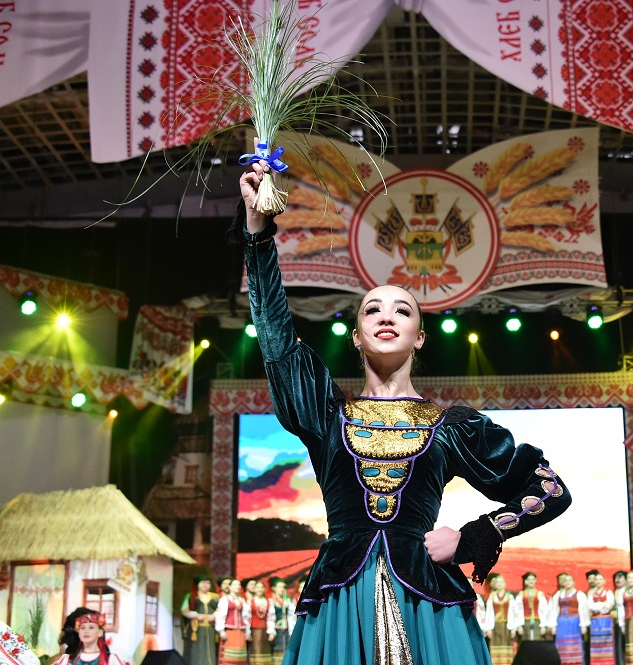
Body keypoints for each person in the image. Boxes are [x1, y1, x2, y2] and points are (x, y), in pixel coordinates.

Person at [236, 161, 572, 665]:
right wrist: (258, 232)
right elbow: (277, 342)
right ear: (356, 337)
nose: (386, 315)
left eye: (402, 309)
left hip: (427, 608)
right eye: (372, 309)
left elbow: (551, 490)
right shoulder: (326, 416)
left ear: (419, 337)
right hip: (341, 604)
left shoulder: (453, 427)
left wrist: (474, 536)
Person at [52, 612, 126, 665]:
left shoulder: (111, 660)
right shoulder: (67, 660)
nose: (86, 631)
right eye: (83, 628)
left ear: (100, 632)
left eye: (91, 627)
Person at [548, 573, 590, 665]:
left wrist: (583, 625)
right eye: (565, 580)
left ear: (574, 582)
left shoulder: (579, 594)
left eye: (569, 580)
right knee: (562, 645)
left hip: (574, 622)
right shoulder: (558, 594)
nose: (567, 582)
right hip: (561, 623)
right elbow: (554, 610)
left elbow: (583, 610)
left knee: (573, 645)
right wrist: (553, 625)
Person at [182, 576, 219, 665]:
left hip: (211, 628)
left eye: (208, 583)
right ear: (198, 584)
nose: (205, 585)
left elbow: (221, 610)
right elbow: (184, 611)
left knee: (211, 650)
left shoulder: (215, 597)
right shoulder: (191, 596)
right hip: (196, 629)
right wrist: (196, 615)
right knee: (197, 650)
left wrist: (214, 616)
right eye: (203, 583)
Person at [216, 579, 250, 665]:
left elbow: (245, 617)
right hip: (229, 631)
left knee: (239, 656)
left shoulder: (242, 600)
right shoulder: (225, 599)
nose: (238, 587)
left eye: (239, 585)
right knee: (229, 655)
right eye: (235, 585)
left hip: (240, 632)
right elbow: (221, 615)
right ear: (230, 587)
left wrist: (247, 631)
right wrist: (221, 631)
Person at [484, 575, 516, 665]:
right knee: (495, 648)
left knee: (507, 647)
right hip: (495, 626)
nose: (499, 584)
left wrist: (513, 628)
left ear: (505, 584)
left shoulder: (510, 597)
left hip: (506, 626)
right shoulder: (492, 597)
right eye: (497, 582)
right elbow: (489, 613)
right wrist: (488, 629)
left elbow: (513, 613)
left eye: (501, 582)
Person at [511, 572, 548, 642]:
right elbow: (517, 611)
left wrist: (543, 625)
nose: (531, 581)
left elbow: (544, 610)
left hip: (537, 622)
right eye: (529, 579)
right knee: (526, 642)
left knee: (537, 642)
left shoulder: (539, 594)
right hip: (525, 622)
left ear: (535, 581)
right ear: (525, 581)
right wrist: (519, 626)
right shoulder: (521, 594)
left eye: (533, 579)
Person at [588, 573, 616, 665]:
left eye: (600, 579)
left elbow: (608, 606)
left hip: (606, 620)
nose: (598, 581)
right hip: (595, 621)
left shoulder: (608, 592)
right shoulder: (591, 594)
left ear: (604, 581)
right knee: (596, 643)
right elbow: (590, 606)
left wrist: (598, 606)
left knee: (606, 642)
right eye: (596, 579)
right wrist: (601, 605)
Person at [247, 580, 274, 665]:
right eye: (257, 587)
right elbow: (247, 618)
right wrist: (247, 632)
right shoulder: (250, 601)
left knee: (265, 652)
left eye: (262, 587)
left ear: (265, 589)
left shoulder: (269, 602)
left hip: (265, 632)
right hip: (254, 632)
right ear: (254, 589)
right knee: (255, 651)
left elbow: (271, 618)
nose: (260, 589)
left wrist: (271, 632)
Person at [269, 578, 293, 665]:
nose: (282, 589)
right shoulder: (271, 601)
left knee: (286, 650)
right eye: (279, 587)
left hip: (286, 630)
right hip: (276, 631)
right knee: (276, 652)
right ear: (274, 588)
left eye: (283, 587)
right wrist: (271, 631)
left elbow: (291, 616)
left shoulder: (288, 601)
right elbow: (270, 617)